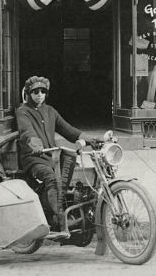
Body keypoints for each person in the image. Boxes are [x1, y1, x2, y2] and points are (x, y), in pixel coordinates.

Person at [16, 76, 100, 230]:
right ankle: (59, 217)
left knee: (73, 163)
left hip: (52, 155)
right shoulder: (23, 111)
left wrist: (92, 140)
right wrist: (35, 143)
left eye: (42, 91)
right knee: (51, 177)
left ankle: (68, 206)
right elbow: (26, 130)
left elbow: (68, 130)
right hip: (34, 158)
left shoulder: (50, 111)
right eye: (35, 91)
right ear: (28, 93)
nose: (39, 94)